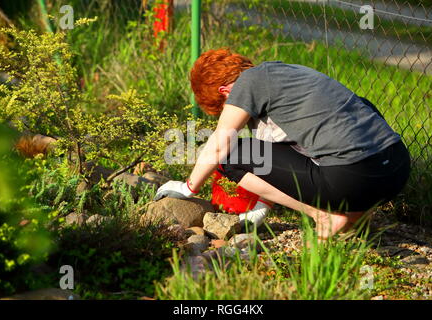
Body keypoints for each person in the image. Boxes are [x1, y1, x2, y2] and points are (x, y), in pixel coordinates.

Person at [154, 48, 411, 241]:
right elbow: (280, 159)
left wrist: (188, 187)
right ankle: (355, 214)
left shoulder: (247, 84)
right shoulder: (288, 75)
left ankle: (325, 215)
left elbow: (221, 143)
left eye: (222, 109)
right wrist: (262, 206)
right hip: (396, 169)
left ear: (224, 92)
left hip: (352, 178)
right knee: (255, 152)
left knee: (231, 154)